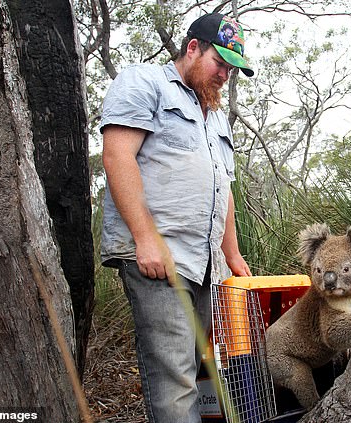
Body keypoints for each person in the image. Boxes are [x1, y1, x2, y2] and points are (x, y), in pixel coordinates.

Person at [99, 12, 255, 423]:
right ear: (192, 48)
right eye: (219, 63)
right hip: (158, 257)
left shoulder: (216, 116)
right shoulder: (143, 82)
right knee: (176, 383)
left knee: (202, 374)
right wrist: (145, 239)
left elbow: (224, 187)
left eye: (232, 69)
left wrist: (232, 254)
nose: (225, 75)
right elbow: (116, 157)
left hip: (203, 264)